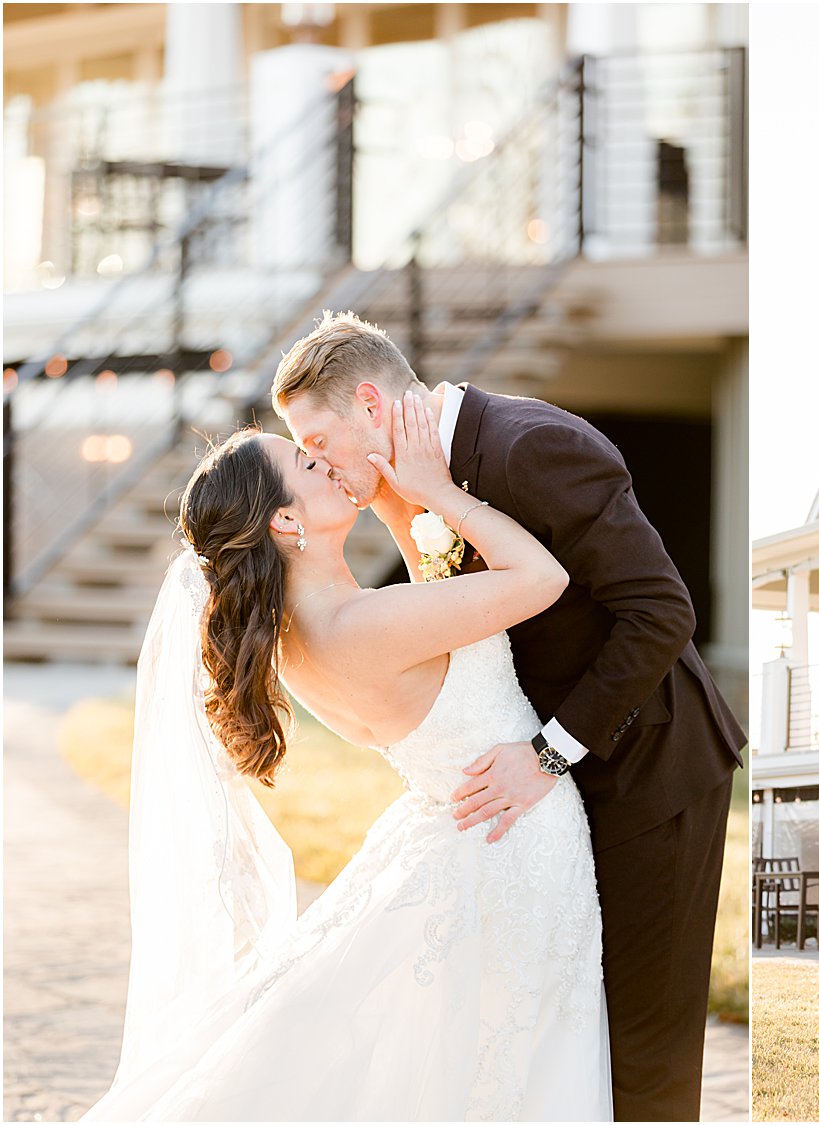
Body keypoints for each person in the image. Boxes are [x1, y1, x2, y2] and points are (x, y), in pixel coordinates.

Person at [273, 311, 745, 1120]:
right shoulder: (411, 489)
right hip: (553, 797)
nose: (318, 463)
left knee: (644, 1051)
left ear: (370, 403)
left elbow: (663, 612)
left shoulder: (531, 446)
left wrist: (549, 753)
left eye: (318, 441)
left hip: (650, 771)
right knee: (581, 1039)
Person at [84, 398, 611, 1120]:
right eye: (307, 464)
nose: (327, 464)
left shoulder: (305, 636)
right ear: (285, 521)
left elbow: (442, 614)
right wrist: (437, 494)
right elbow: (541, 578)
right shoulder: (361, 626)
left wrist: (401, 503)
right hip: (512, 847)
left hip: (468, 834)